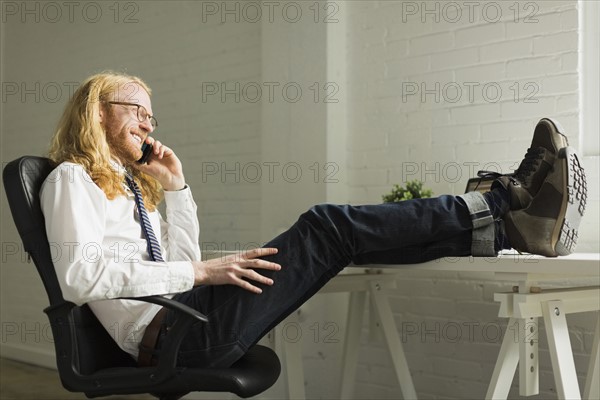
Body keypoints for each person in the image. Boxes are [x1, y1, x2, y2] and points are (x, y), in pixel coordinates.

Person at [40, 72, 587, 369]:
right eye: (132, 106)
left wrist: (175, 189)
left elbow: (181, 263)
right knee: (326, 226)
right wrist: (205, 274)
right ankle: (503, 203)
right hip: (175, 337)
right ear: (95, 110)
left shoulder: (131, 189)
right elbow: (79, 279)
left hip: (193, 316)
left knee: (343, 240)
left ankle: (507, 226)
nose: (146, 119)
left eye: (150, 113)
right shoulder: (70, 180)